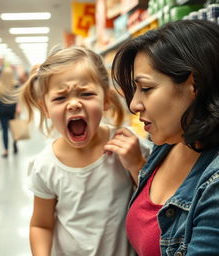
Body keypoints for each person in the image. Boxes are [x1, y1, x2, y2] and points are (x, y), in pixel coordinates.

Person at [20, 46, 152, 256]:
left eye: (86, 93)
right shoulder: (46, 165)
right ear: (44, 109)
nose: (73, 104)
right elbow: (41, 225)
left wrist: (136, 164)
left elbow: (156, 202)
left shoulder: (127, 146)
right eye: (60, 98)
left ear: (106, 99)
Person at [106, 19, 219, 255]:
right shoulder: (169, 142)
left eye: (146, 88)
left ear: (194, 85)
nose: (134, 104)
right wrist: (137, 166)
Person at [0, 67, 19, 157]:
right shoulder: (15, 85)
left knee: (4, 131)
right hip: (12, 111)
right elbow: (17, 98)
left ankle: (6, 151)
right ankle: (15, 145)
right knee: (14, 129)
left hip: (2, 111)